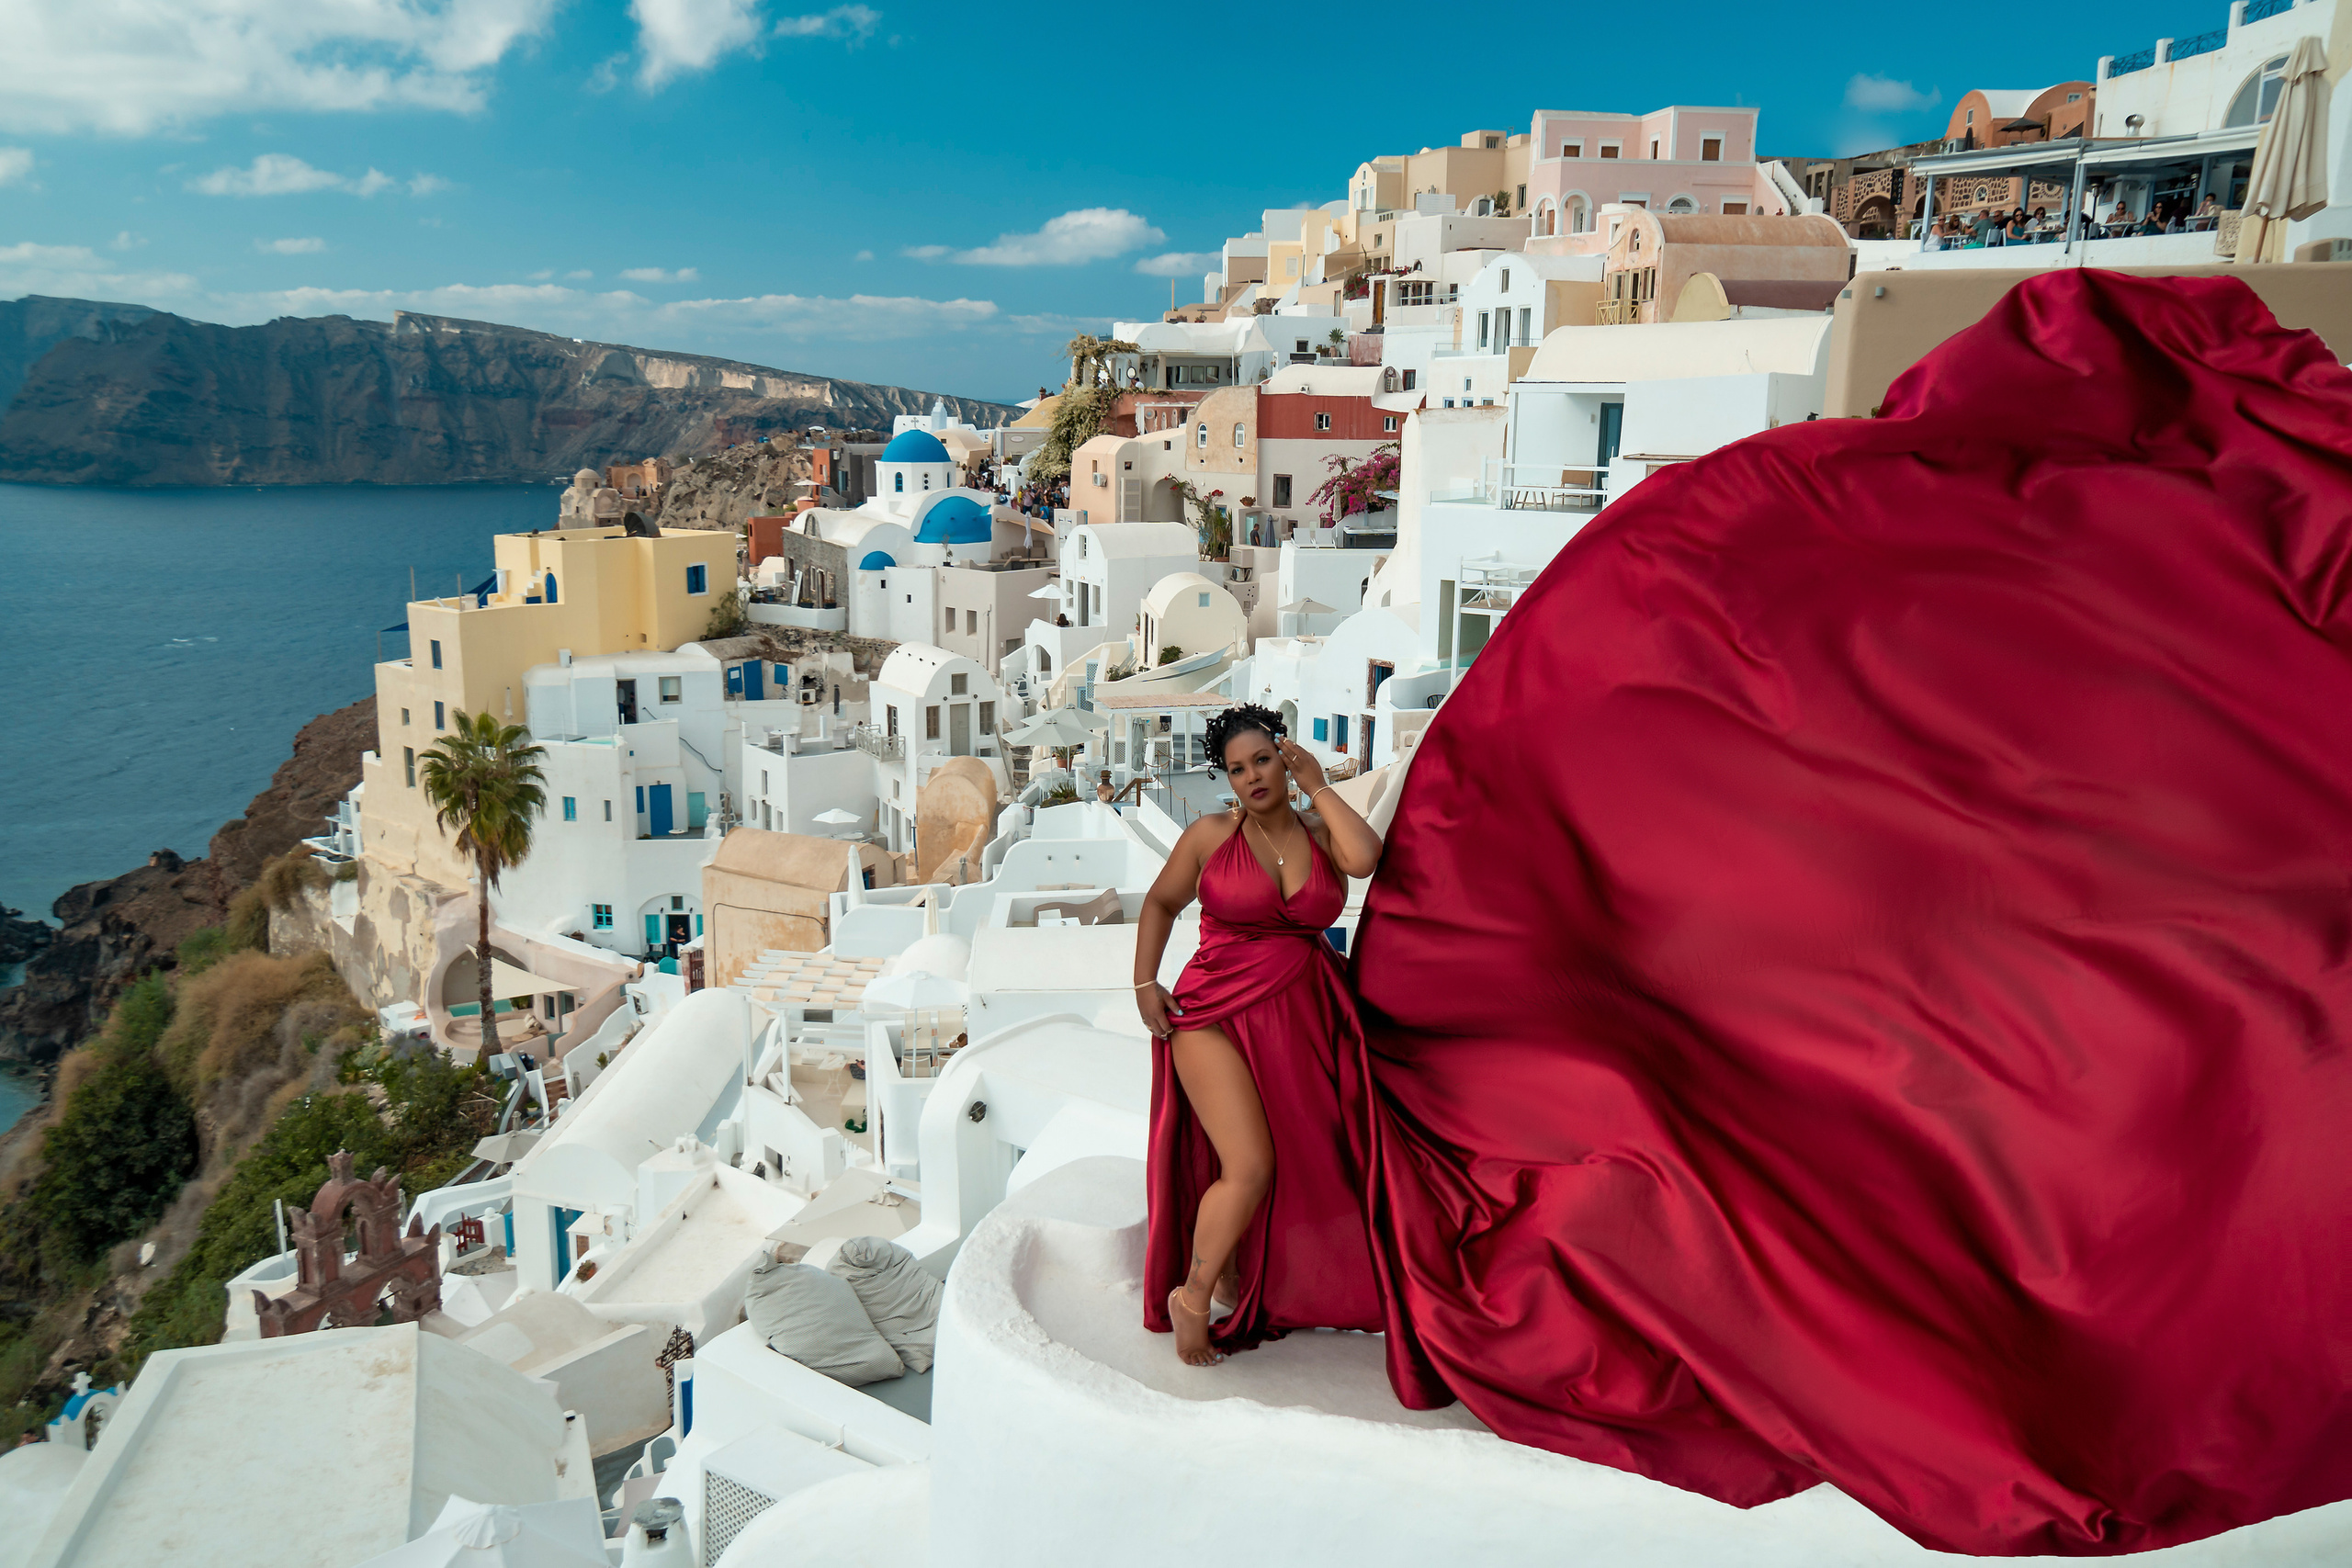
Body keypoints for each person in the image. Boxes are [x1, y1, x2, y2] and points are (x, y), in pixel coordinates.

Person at [1133, 705, 1385, 1366]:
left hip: (1299, 1016)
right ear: (1228, 778)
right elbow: (1160, 903)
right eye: (1237, 769)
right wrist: (1143, 983)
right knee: (1250, 1165)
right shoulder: (1211, 835)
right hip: (1209, 1011)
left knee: (1316, 1159)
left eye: (1263, 760)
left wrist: (1320, 784)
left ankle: (1259, 1276)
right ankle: (1191, 1296)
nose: (1253, 777)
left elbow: (1365, 858)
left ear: (1284, 757)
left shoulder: (1318, 831)